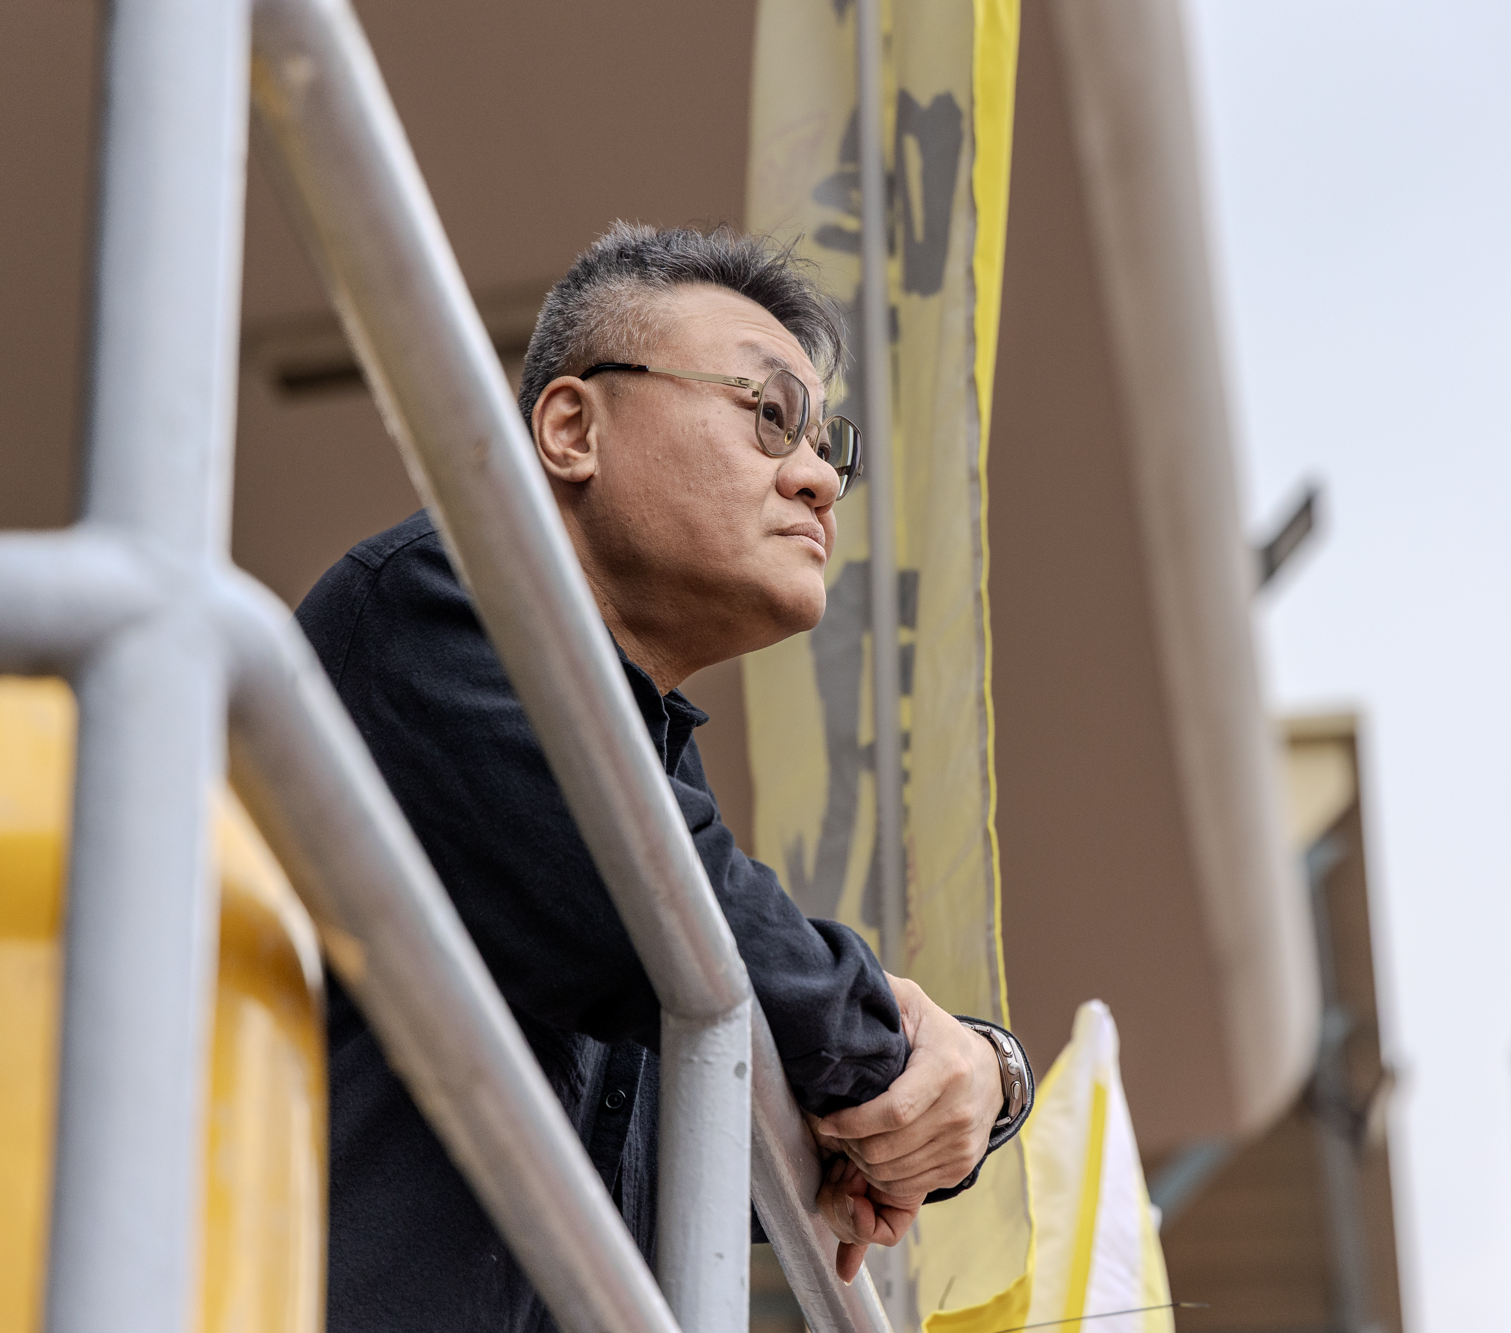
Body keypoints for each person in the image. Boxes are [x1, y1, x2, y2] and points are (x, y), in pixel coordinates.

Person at [297, 222, 1034, 1332]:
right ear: (571, 429)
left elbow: (771, 1083)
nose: (816, 479)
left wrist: (970, 1086)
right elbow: (693, 919)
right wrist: (916, 1055)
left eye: (826, 447)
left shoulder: (644, 777)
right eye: (769, 413)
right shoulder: (438, 604)